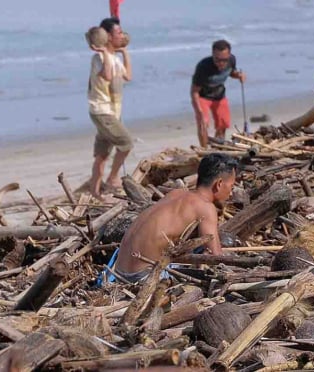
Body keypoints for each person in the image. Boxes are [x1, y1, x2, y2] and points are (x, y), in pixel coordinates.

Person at [113, 153, 238, 283]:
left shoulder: (176, 194)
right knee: (207, 274)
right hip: (141, 277)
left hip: (119, 272)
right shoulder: (205, 207)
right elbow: (216, 257)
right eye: (231, 186)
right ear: (219, 184)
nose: (231, 192)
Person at [87, 17, 133, 200]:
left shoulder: (114, 58)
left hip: (111, 111)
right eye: (118, 33)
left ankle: (94, 191)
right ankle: (112, 179)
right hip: (101, 110)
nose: (121, 35)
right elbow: (106, 75)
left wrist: (124, 52)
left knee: (102, 154)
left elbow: (128, 76)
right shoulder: (98, 58)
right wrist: (105, 51)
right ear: (107, 36)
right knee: (126, 143)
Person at [191, 40, 246, 148]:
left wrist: (239, 75)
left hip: (219, 95)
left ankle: (217, 148)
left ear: (229, 55)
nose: (221, 63)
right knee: (203, 123)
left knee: (223, 123)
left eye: (224, 60)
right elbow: (194, 91)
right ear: (213, 55)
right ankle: (204, 150)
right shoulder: (203, 66)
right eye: (217, 60)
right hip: (203, 96)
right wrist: (199, 111)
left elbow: (231, 72)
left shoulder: (231, 60)